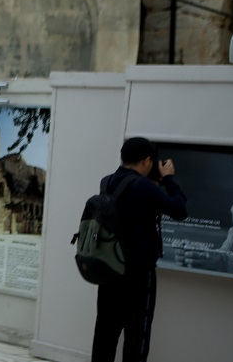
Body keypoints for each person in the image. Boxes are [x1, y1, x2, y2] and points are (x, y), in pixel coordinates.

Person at [90, 137, 188, 362]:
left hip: (108, 271)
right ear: (146, 160)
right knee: (137, 339)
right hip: (137, 277)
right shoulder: (142, 186)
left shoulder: (107, 182)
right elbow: (179, 210)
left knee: (105, 334)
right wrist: (169, 178)